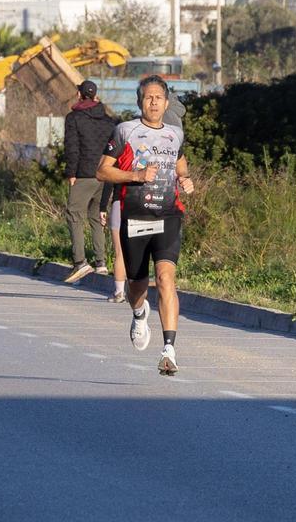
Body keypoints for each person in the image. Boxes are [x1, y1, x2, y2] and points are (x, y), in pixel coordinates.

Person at [96, 76, 195, 376]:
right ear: (140, 102)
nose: (153, 102)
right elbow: (102, 171)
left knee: (166, 278)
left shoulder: (175, 134)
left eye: (158, 97)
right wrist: (136, 177)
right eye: (148, 97)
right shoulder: (125, 131)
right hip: (135, 216)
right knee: (137, 286)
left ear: (166, 103)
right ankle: (139, 313)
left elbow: (180, 165)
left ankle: (169, 349)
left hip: (168, 216)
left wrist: (185, 179)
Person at [62, 80, 118, 284]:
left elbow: (72, 147)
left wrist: (71, 173)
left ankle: (80, 262)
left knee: (74, 213)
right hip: (106, 174)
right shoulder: (110, 121)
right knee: (96, 215)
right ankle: (101, 263)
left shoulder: (74, 118)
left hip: (84, 173)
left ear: (79, 94)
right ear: (95, 96)